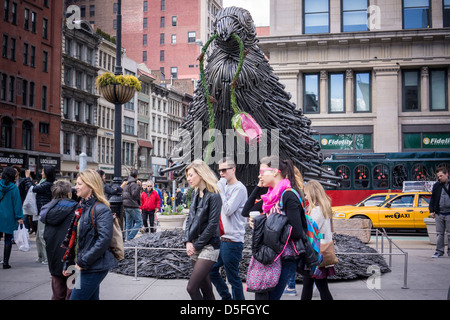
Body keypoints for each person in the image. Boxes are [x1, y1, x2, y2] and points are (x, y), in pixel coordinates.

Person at [242, 155, 306, 300]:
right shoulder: (269, 198)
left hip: (283, 257)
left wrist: (266, 226)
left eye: (262, 172)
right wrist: (259, 186)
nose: (259, 176)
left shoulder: (288, 195)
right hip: (267, 255)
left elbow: (297, 232)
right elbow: (246, 211)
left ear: (275, 171)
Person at [62, 168, 117, 300]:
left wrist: (82, 262)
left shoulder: (101, 209)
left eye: (79, 184)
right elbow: (75, 240)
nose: (76, 187)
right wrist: (68, 263)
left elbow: (104, 240)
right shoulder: (81, 206)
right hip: (82, 265)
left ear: (91, 186)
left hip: (93, 266)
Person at [209, 157, 247, 300]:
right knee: (212, 270)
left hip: (233, 239)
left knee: (233, 278)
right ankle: (227, 297)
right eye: (219, 170)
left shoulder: (239, 188)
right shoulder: (224, 187)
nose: (221, 173)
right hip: (221, 239)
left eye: (224, 170)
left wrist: (221, 191)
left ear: (233, 170)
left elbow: (228, 209)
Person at [184, 159, 222, 300]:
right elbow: (190, 219)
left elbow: (213, 225)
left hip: (209, 246)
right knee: (205, 288)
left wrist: (195, 245)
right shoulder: (195, 193)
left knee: (191, 288)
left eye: (191, 175)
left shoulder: (214, 194)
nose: (188, 178)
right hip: (195, 244)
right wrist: (187, 241)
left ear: (201, 174)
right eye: (187, 175)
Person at [39, 180, 77, 300]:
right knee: (73, 293)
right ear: (69, 193)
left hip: (53, 257)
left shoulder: (47, 210)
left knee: (57, 292)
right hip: (71, 258)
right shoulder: (76, 208)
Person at [300, 180, 335, 300]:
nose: (305, 196)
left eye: (306, 194)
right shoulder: (324, 208)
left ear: (312, 194)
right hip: (322, 251)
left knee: (312, 286)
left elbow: (309, 232)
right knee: (317, 286)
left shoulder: (315, 211)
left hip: (314, 253)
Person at [24, 166, 56, 264]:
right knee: (38, 236)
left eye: (43, 171)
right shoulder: (44, 182)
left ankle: (46, 258)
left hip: (44, 212)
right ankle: (41, 256)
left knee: (42, 235)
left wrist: (27, 178)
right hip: (40, 211)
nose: (41, 173)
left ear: (47, 173)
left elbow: (32, 189)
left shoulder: (48, 184)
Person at [283, 167, 306, 296]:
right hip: (298, 228)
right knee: (293, 258)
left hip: (292, 228)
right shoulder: (298, 190)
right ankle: (292, 285)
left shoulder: (290, 192)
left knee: (290, 258)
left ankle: (291, 286)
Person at [0, 167, 24, 269]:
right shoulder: (14, 188)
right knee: (8, 239)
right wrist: (19, 217)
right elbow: (17, 204)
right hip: (9, 217)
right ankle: (5, 263)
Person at [429, 165, 450, 258]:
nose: (439, 178)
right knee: (439, 234)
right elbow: (433, 198)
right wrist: (432, 210)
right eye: (438, 176)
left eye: (441, 176)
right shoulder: (437, 185)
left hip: (449, 213)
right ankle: (439, 251)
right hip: (439, 213)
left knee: (449, 234)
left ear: (447, 174)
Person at [122, 169, 142, 240]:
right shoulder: (133, 184)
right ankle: (130, 238)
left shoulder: (127, 183)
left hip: (126, 206)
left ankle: (126, 239)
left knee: (128, 224)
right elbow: (134, 194)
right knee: (139, 222)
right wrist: (139, 186)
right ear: (136, 176)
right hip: (132, 205)